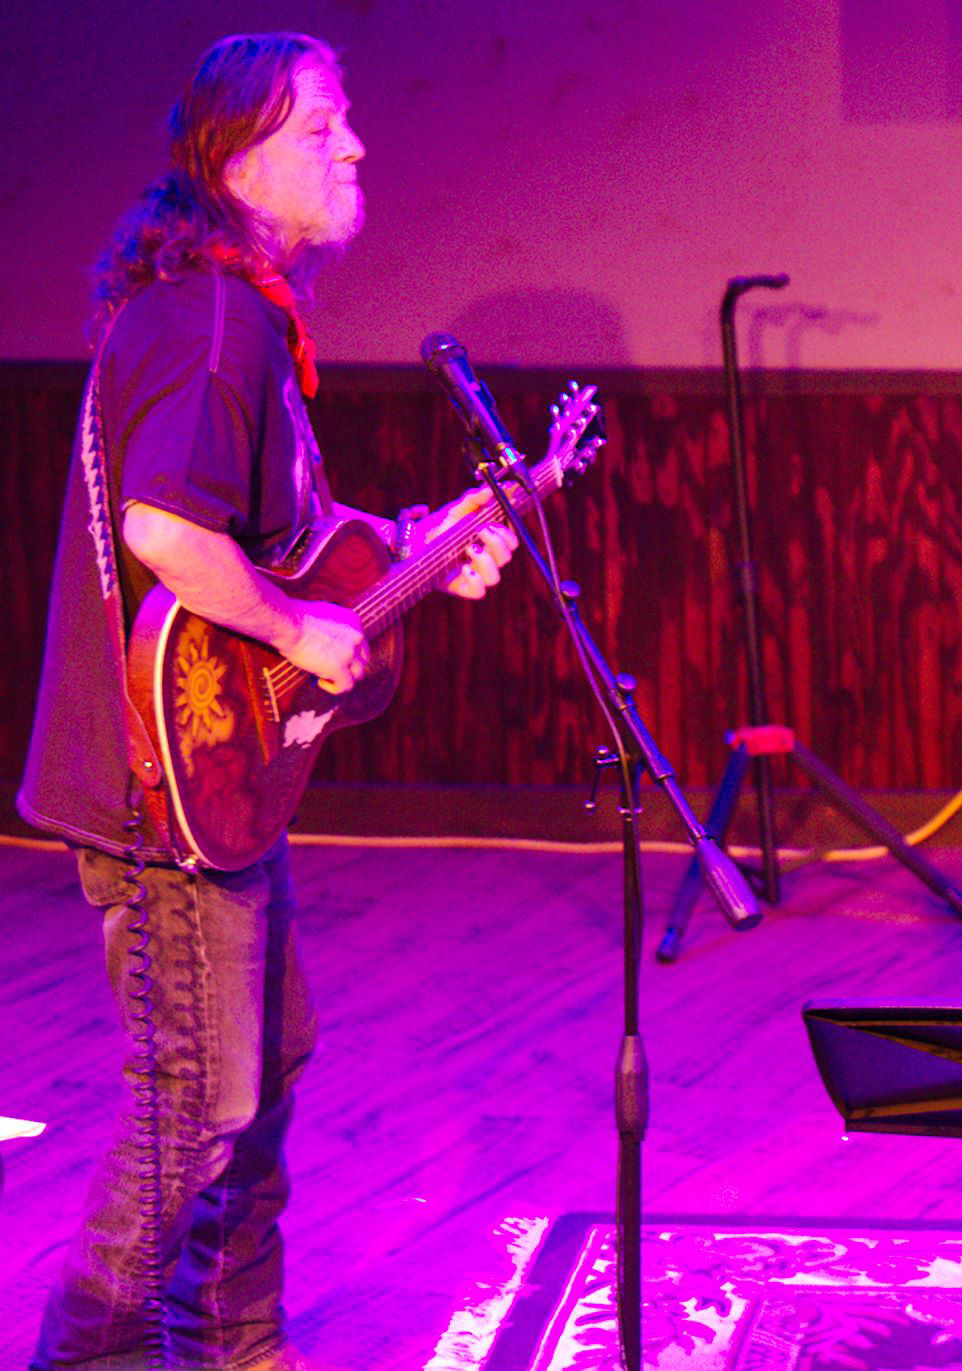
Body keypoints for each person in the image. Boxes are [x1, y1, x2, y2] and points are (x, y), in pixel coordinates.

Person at [19, 33, 522, 1370]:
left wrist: (418, 555)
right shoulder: (212, 318)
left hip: (214, 769)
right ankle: (90, 1354)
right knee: (198, 1098)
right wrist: (306, 623)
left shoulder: (227, 310)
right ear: (234, 158)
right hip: (157, 784)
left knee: (263, 1064)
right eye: (322, 126)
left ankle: (235, 1346)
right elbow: (172, 539)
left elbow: (282, 554)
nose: (353, 146)